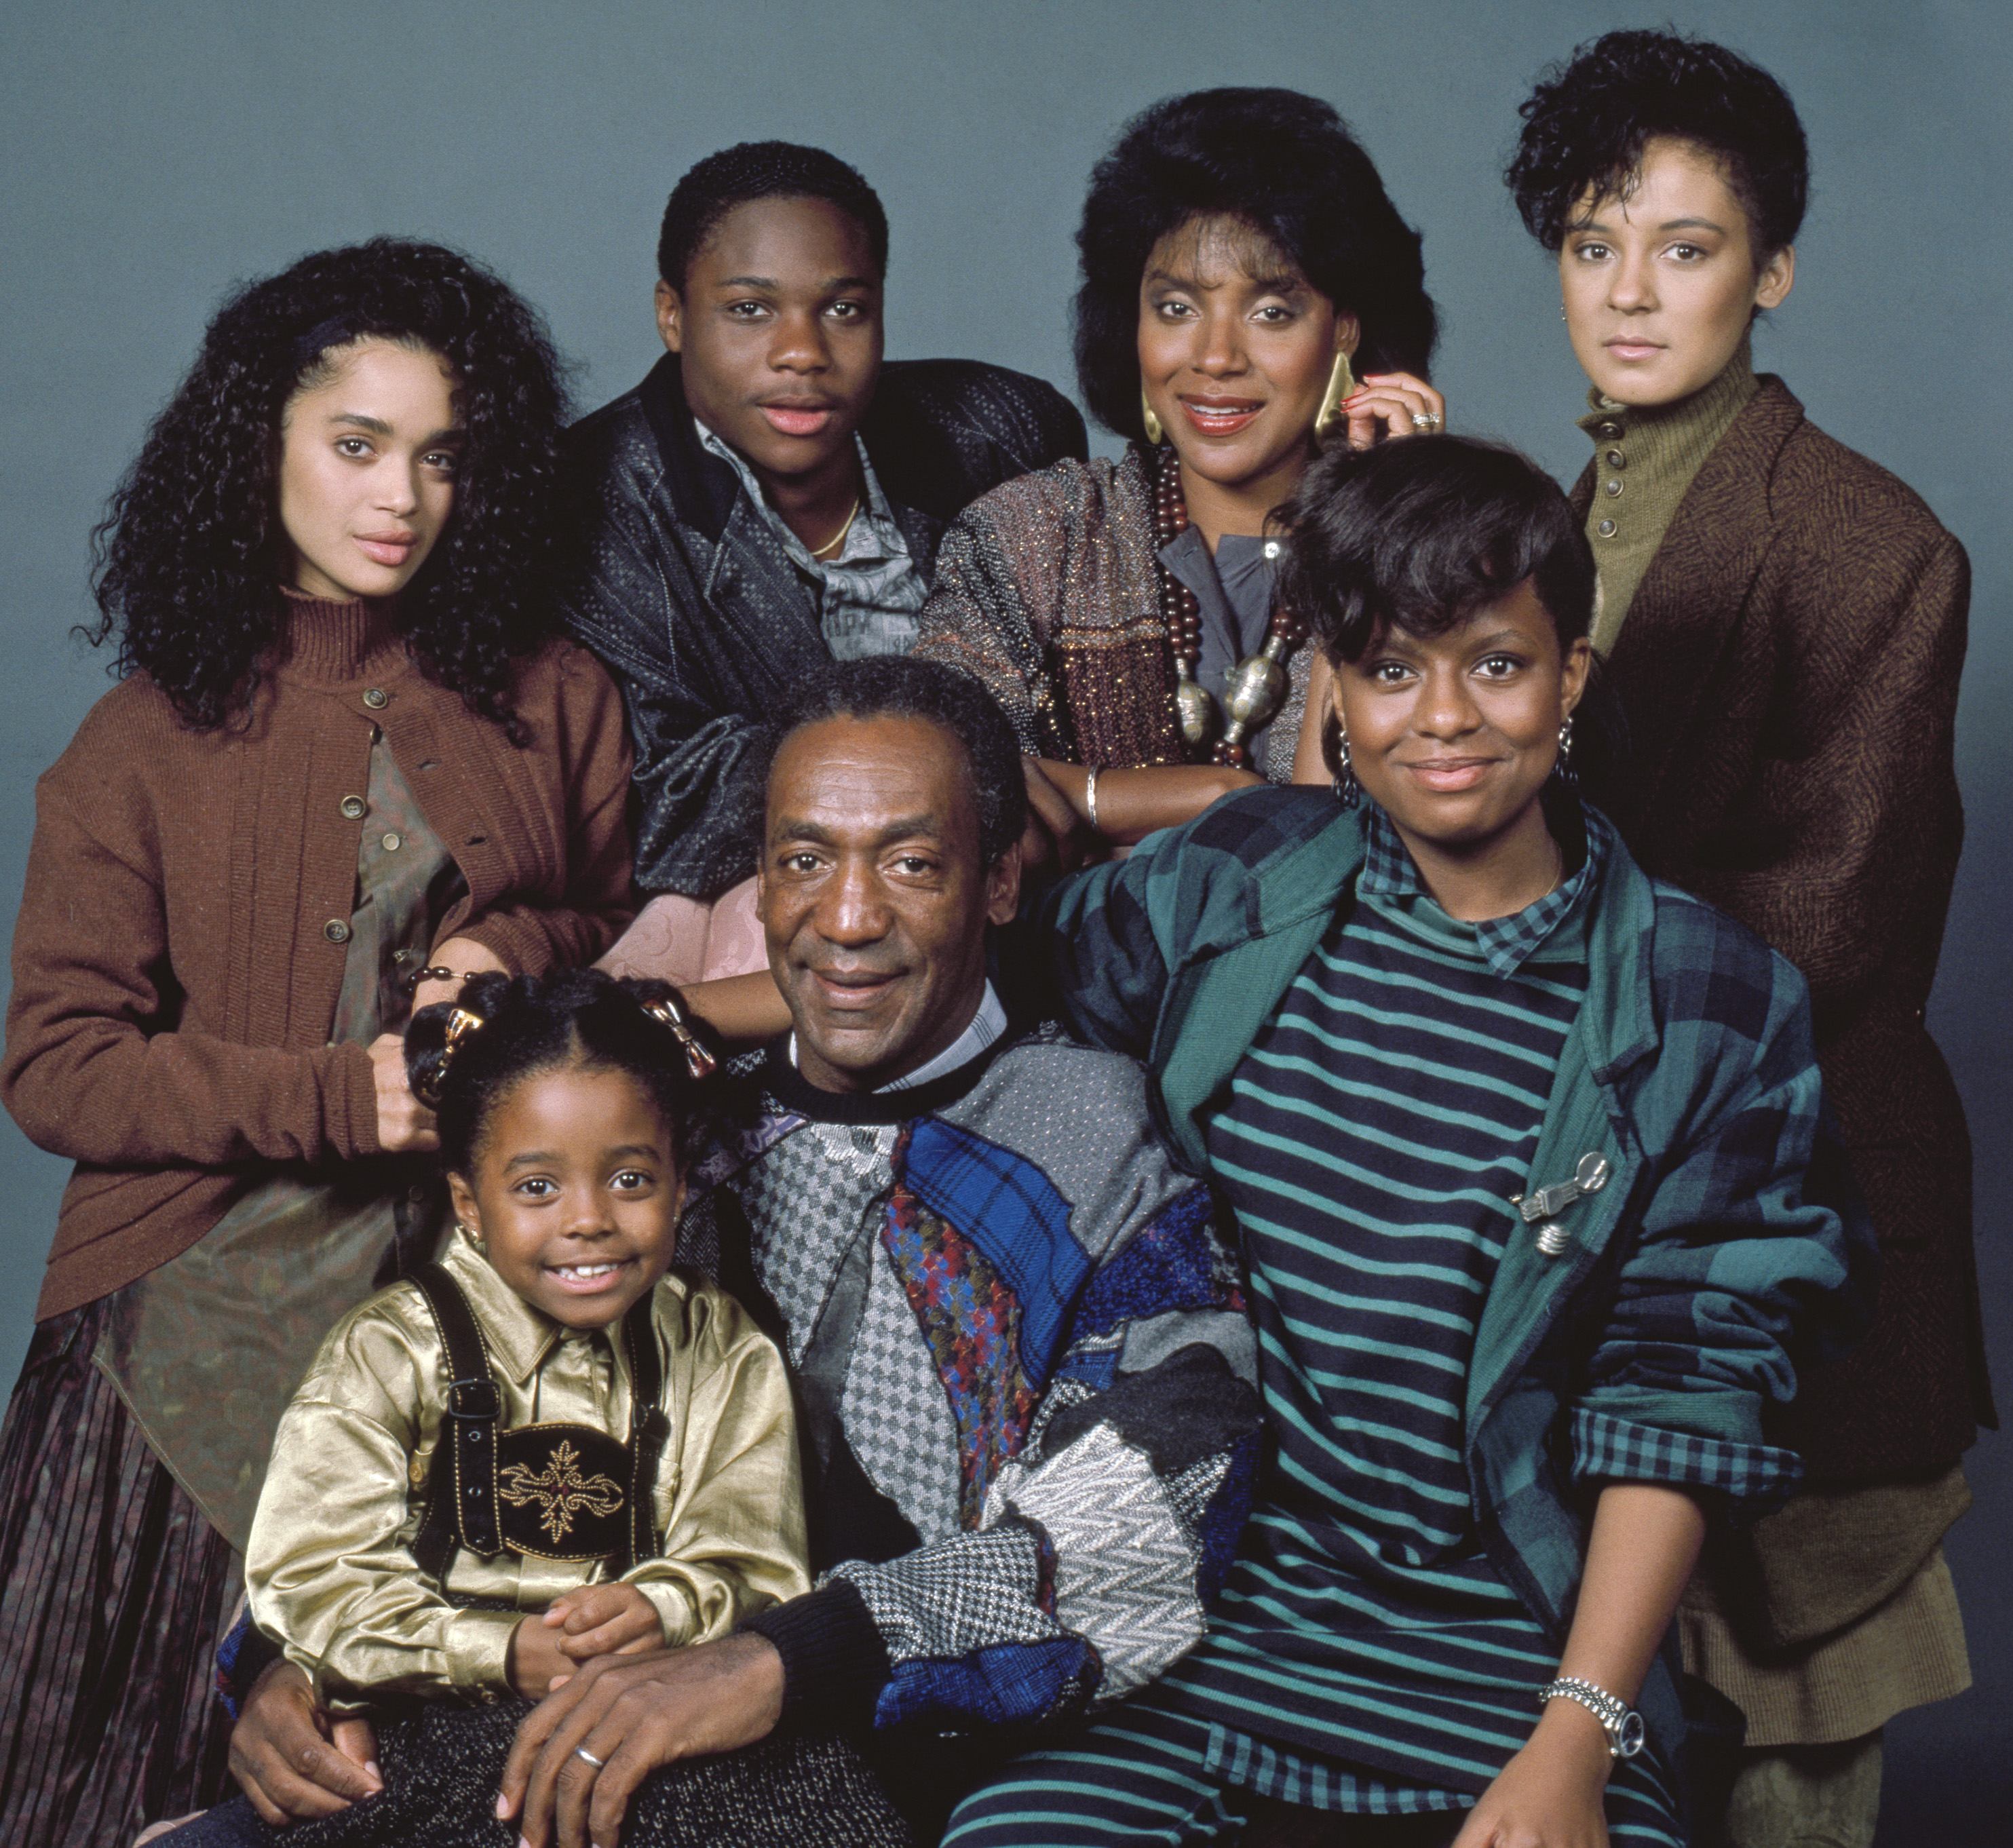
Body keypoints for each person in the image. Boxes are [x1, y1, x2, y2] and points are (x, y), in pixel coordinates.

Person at [944, 436, 1873, 1847]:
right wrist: (666, 1019)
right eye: (1389, 670)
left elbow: (1681, 1398)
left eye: (1496, 665)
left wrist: (1577, 1744)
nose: (1444, 719)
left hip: (1502, 1682)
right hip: (1177, 1633)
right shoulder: (1232, 885)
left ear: (1570, 676)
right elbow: (943, 981)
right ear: (1334, 690)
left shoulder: (1710, 1008)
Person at [228, 655, 1262, 1848]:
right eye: (803, 860)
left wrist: (788, 1659)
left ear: (1000, 881)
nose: (849, 917)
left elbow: (1156, 1503)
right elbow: (416, 1397)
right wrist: (286, 1656)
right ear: (759, 886)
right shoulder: (658, 1136)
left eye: (912, 862)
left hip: (891, 1759)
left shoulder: (1089, 1139)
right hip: (538, 1713)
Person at [0, 239, 636, 1848]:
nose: (400, 498)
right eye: (356, 445)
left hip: (467, 1318)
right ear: (256, 448)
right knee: (94, 1786)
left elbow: (620, 927)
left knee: (394, 1797)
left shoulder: (553, 696)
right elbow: (54, 1062)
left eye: (440, 457)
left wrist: (513, 940)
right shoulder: (142, 739)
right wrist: (323, 1095)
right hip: (184, 1322)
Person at [1504, 31, 1985, 1847]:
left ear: (1771, 265)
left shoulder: (1872, 543)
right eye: (1594, 240)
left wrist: (1532, 950)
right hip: (1596, 1193)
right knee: (1600, 1707)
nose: (1630, 292)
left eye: (1686, 246)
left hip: (1802, 1191)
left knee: (1793, 1713)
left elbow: (1843, 913)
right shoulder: (1547, 517)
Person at [161, 967, 908, 1847]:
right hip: (425, 1716)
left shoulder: (722, 1348)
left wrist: (664, 1608)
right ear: (470, 1206)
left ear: (679, 1179)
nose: (588, 1221)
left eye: (631, 1180)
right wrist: (502, 1652)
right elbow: (312, 1580)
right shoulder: (394, 1350)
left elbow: (752, 1559)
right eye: (538, 1189)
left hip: (655, 1710)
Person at [565, 140, 1088, 984]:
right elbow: (661, 799)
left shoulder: (1003, 431)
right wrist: (957, 775)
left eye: (843, 310)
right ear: (672, 313)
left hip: (1021, 899)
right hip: (777, 932)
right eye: (749, 311)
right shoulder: (589, 503)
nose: (802, 352)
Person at [912, 87, 1444, 858]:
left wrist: (1381, 525)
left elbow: (1369, 845)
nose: (1216, 357)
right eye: (1175, 308)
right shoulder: (1031, 538)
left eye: (1271, 313)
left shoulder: (1432, 550)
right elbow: (932, 781)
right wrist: (1212, 796)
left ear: (1345, 329)